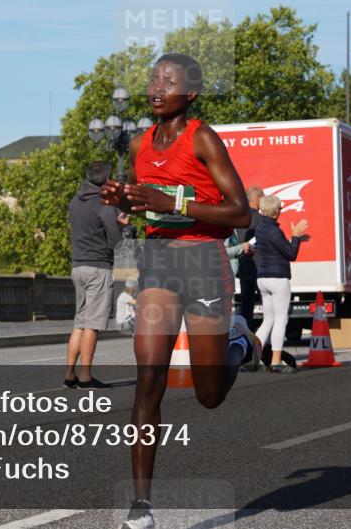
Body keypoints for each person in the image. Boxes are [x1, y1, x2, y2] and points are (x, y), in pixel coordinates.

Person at [100, 53, 260, 529]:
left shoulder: (203, 138)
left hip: (204, 265)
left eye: (168, 82)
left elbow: (241, 214)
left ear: (189, 93)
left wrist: (172, 201)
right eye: (153, 79)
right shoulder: (139, 144)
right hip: (159, 263)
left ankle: (237, 341)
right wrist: (124, 199)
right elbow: (144, 200)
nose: (156, 88)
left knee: (209, 395)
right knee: (149, 378)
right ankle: (142, 505)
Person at [65, 161, 126, 390]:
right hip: (98, 267)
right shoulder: (105, 205)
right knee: (92, 325)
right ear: (107, 181)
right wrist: (120, 225)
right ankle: (85, 377)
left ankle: (69, 375)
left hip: (78, 266)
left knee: (79, 323)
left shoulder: (74, 202)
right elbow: (116, 242)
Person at [254, 195, 308, 373]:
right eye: (280, 209)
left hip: (262, 278)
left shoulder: (260, 228)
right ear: (277, 212)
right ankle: (276, 362)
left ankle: (254, 359)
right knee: (280, 320)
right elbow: (291, 254)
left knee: (267, 320)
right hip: (278, 278)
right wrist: (296, 236)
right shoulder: (274, 231)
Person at [235, 186, 264, 324]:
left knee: (246, 307)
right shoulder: (262, 219)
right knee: (268, 306)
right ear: (258, 198)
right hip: (260, 267)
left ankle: (244, 339)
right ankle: (267, 343)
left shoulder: (240, 218)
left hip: (243, 265)